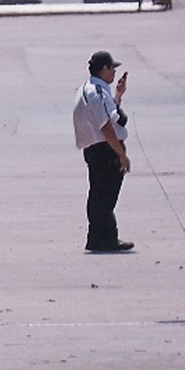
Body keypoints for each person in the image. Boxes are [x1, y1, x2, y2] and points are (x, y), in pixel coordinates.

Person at [72, 50, 132, 253]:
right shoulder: (95, 93)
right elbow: (106, 126)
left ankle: (97, 237)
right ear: (104, 69)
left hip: (96, 148)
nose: (114, 72)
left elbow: (109, 114)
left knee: (98, 194)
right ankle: (106, 239)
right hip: (104, 150)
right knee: (105, 197)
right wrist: (121, 154)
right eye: (112, 68)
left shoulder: (91, 89)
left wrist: (118, 95)